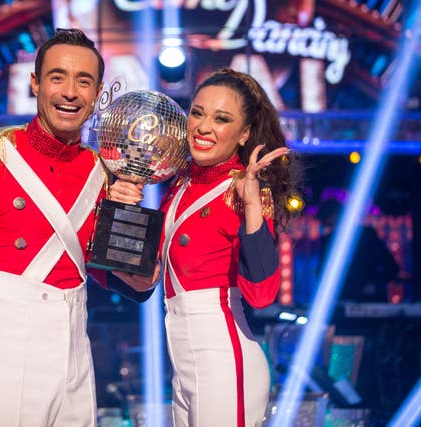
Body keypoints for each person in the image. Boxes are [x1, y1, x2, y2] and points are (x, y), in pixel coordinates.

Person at [0, 28, 152, 427]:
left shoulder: (102, 172)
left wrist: (134, 252)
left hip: (76, 346)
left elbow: (100, 270)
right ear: (35, 83)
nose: (70, 92)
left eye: (83, 81)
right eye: (57, 77)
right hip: (9, 345)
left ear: (98, 93)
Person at [111, 68, 296, 427]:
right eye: (197, 112)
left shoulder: (248, 193)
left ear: (244, 134)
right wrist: (122, 211)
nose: (204, 127)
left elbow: (262, 295)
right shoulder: (179, 185)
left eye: (222, 118)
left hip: (224, 358)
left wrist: (254, 205)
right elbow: (143, 281)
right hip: (183, 362)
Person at [317, 198, 400, 303]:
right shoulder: (328, 242)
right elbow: (322, 275)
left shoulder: (367, 236)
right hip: (342, 304)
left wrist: (374, 284)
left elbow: (392, 268)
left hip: (370, 304)